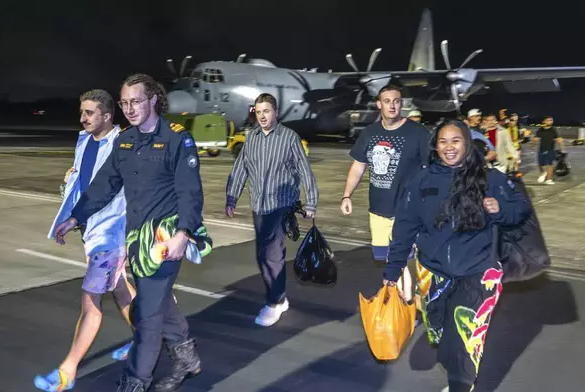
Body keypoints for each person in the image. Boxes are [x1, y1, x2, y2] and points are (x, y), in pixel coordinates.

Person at [53, 74, 210, 392]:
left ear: (153, 100)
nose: (129, 108)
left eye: (135, 101)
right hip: (136, 241)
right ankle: (187, 358)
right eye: (124, 103)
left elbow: (190, 191)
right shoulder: (126, 142)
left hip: (165, 240)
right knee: (159, 304)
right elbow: (104, 185)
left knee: (148, 316)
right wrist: (74, 217)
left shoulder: (178, 139)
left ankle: (135, 382)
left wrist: (183, 232)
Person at [383, 119, 531, 392]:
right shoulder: (421, 180)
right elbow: (405, 226)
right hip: (432, 269)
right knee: (439, 331)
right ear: (435, 146)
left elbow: (521, 209)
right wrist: (393, 269)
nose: (449, 147)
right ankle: (457, 367)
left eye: (456, 141)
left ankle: (461, 385)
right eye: (443, 141)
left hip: (479, 268)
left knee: (464, 334)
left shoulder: (490, 177)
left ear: (466, 143)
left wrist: (499, 209)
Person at [35, 89, 136, 392]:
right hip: (91, 230)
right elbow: (82, 184)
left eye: (90, 112)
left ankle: (68, 370)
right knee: (119, 289)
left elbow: (139, 188)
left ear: (107, 115)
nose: (83, 118)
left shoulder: (124, 144)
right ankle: (147, 339)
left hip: (113, 233)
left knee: (91, 300)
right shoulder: (83, 142)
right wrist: (67, 193)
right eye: (82, 111)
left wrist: (135, 237)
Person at [226, 93, 318, 327]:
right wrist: (231, 198)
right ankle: (279, 297)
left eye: (266, 111)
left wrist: (311, 203)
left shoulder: (289, 138)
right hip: (259, 205)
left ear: (275, 112)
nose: (262, 116)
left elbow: (305, 171)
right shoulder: (252, 139)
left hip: (281, 205)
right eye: (258, 112)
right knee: (262, 254)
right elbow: (240, 169)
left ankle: (274, 302)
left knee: (272, 254)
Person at [340, 84, 431, 303]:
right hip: (378, 211)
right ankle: (404, 299)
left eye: (396, 100)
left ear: (402, 104)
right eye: (387, 101)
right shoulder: (370, 133)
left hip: (408, 211)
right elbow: (358, 166)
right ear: (379, 104)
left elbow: (431, 170)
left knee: (405, 259)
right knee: (387, 257)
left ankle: (407, 300)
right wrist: (346, 195)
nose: (392, 105)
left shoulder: (418, 133)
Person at [534, 116, 563, 184]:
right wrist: (533, 144)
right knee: (540, 164)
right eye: (548, 120)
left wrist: (562, 149)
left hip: (550, 149)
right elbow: (536, 138)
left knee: (549, 165)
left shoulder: (553, 130)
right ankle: (543, 173)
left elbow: (558, 140)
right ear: (544, 121)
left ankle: (549, 179)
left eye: (551, 120)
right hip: (541, 149)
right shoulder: (540, 129)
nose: (550, 121)